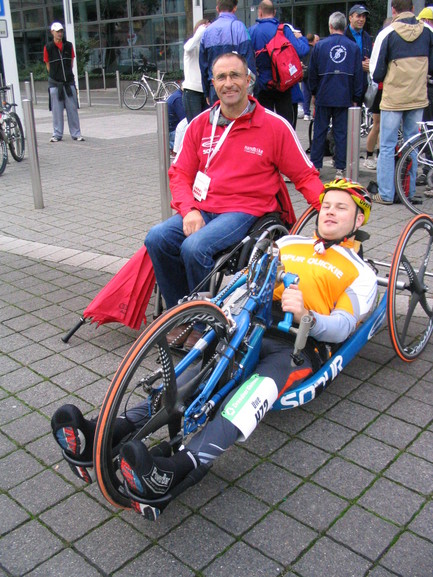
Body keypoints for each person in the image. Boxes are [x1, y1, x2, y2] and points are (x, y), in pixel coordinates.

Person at [50, 179, 378, 515]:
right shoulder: (290, 243)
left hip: (297, 344)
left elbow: (344, 326)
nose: (329, 212)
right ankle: (101, 433)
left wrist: (308, 316)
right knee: (193, 377)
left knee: (248, 396)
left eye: (341, 208)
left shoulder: (361, 272)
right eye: (326, 206)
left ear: (358, 220)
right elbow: (245, 279)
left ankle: (174, 470)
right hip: (248, 324)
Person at [144, 52, 323, 339]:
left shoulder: (274, 126)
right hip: (203, 207)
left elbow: (304, 175)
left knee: (195, 247)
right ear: (213, 83)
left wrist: (330, 209)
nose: (229, 83)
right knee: (157, 237)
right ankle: (180, 314)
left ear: (248, 80)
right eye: (222, 77)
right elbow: (179, 174)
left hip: (246, 210)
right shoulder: (199, 124)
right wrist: (188, 209)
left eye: (235, 75)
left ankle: (203, 327)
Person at [369, 0, 433, 205]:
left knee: (387, 145)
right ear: (413, 9)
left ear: (393, 10)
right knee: (412, 144)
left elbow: (376, 73)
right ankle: (409, 192)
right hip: (418, 97)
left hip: (393, 99)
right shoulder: (428, 32)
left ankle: (386, 194)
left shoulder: (387, 34)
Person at [309, 12, 363, 178]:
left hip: (324, 94)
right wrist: (356, 97)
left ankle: (316, 165)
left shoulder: (319, 46)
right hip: (344, 96)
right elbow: (358, 74)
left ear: (330, 26)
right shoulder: (353, 47)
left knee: (319, 131)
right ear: (344, 26)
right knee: (342, 133)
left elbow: (312, 72)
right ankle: (340, 167)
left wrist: (313, 92)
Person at [248, 0, 309, 127]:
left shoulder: (251, 32)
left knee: (264, 124)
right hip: (283, 84)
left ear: (260, 12)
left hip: (263, 85)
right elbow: (302, 50)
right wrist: (301, 38)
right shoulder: (284, 30)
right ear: (274, 12)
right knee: (286, 124)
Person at [199, 0, 256, 106]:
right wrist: (251, 89)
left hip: (215, 88)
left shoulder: (207, 32)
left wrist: (206, 92)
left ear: (217, 9)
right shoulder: (240, 28)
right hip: (236, 86)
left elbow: (203, 67)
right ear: (235, 8)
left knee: (217, 116)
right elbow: (249, 61)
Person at [43, 22, 85, 142]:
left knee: (72, 109)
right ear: (52, 32)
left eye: (61, 31)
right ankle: (57, 134)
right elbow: (47, 65)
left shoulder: (68, 45)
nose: (60, 33)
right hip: (55, 83)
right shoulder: (48, 47)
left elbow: (71, 63)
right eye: (57, 31)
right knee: (56, 110)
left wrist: (66, 75)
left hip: (68, 82)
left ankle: (76, 133)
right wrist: (55, 76)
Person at [182, 19, 210, 122]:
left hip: (206, 91)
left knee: (207, 124)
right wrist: (200, 32)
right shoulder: (192, 45)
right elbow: (188, 47)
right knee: (195, 124)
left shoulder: (208, 47)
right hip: (192, 91)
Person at [344, 4, 373, 100]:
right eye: (358, 16)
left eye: (363, 17)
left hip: (363, 85)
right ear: (350, 18)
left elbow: (371, 56)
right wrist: (359, 65)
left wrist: (370, 63)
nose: (361, 19)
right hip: (347, 85)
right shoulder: (343, 36)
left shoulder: (367, 37)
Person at [301, 33, 320, 122]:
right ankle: (315, 113)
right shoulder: (315, 50)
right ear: (313, 40)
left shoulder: (303, 49)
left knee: (305, 94)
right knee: (314, 94)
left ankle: (306, 113)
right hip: (312, 73)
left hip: (304, 73)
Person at [166, 88, 186, 152]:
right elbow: (184, 120)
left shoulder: (177, 94)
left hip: (168, 130)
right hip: (171, 132)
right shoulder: (178, 99)